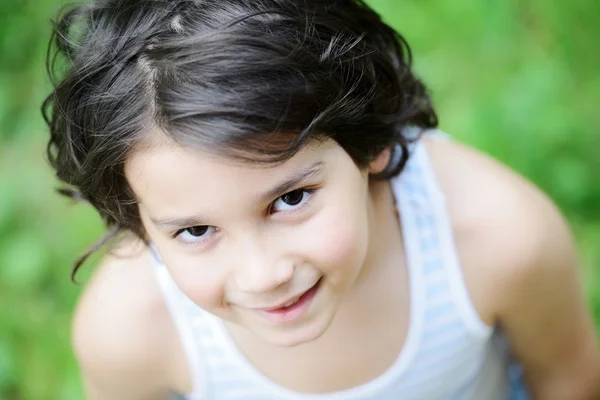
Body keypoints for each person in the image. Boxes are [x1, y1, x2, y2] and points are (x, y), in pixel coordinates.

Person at [42, 0, 600, 399]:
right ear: (136, 218)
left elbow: (569, 380)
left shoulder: (497, 239)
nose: (262, 275)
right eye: (195, 231)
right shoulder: (131, 330)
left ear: (371, 142)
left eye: (290, 199)